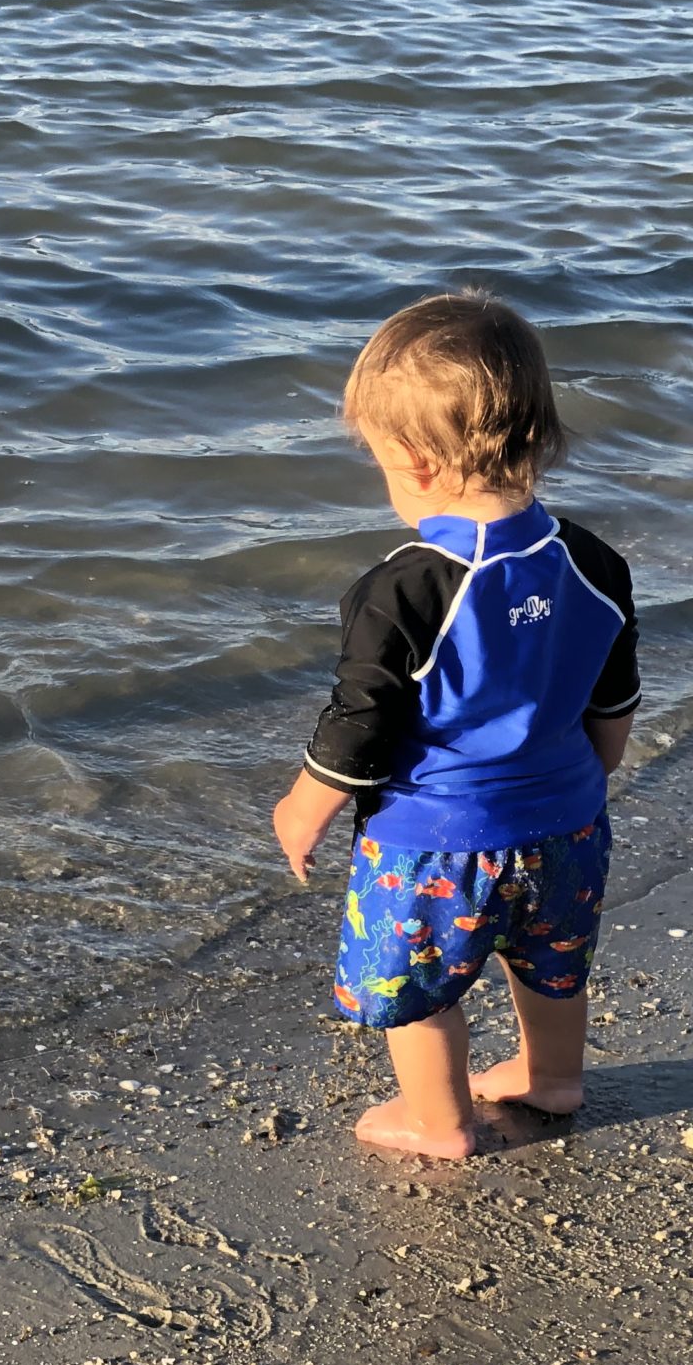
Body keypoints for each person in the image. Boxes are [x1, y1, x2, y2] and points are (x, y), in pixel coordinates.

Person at [272, 292, 640, 1160]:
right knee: (550, 963)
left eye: (382, 464)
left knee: (420, 988)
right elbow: (612, 701)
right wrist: (590, 776)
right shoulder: (591, 561)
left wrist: (302, 808)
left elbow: (359, 723)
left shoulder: (404, 585)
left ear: (414, 461)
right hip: (568, 824)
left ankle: (439, 1123)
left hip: (432, 843)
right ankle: (553, 1080)